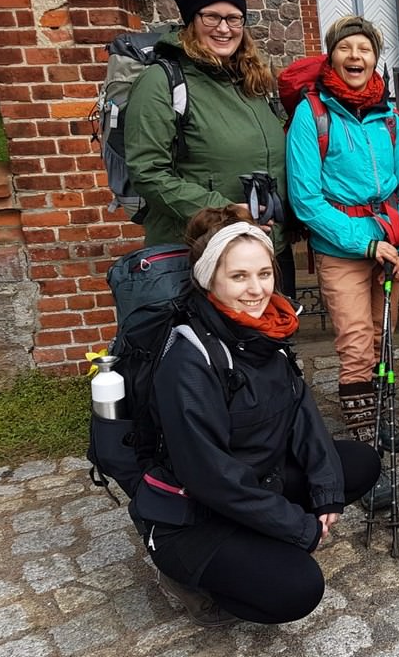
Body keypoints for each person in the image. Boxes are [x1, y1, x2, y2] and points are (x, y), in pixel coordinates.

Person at [131, 205, 382, 626]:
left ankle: (258, 536)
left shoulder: (268, 329)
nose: (256, 290)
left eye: (264, 274)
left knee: (358, 464)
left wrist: (325, 491)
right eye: (239, 277)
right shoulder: (190, 358)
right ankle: (185, 576)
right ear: (209, 279)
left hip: (256, 477)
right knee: (297, 588)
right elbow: (210, 475)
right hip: (195, 513)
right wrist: (297, 528)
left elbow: (302, 413)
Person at [286, 15, 399, 450]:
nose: (355, 56)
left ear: (376, 58)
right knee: (357, 340)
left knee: (384, 334)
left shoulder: (389, 117)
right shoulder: (313, 114)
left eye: (364, 49)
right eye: (346, 48)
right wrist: (364, 241)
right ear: (332, 54)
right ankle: (363, 437)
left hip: (393, 246)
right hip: (343, 248)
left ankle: (381, 416)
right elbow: (305, 199)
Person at [125, 0, 295, 297]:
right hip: (204, 254)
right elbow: (147, 172)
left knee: (272, 346)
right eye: (211, 17)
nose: (224, 28)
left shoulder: (248, 81)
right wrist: (227, 210)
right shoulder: (161, 82)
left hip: (262, 250)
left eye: (234, 18)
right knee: (215, 349)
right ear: (190, 20)